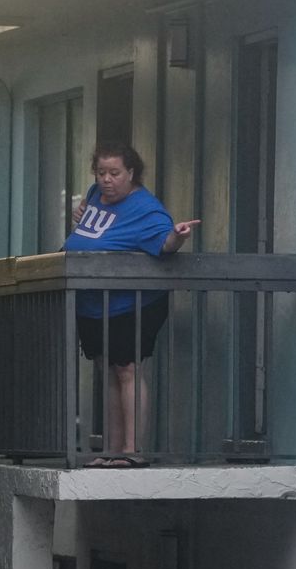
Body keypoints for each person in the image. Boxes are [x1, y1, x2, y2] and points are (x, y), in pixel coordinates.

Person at [63, 142, 199, 466]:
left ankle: (132, 451)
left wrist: (178, 236)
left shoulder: (145, 209)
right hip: (93, 300)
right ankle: (110, 450)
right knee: (107, 369)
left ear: (131, 173)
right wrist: (77, 214)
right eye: (101, 172)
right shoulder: (95, 195)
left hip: (129, 303)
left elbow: (164, 242)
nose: (106, 180)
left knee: (127, 369)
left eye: (114, 173)